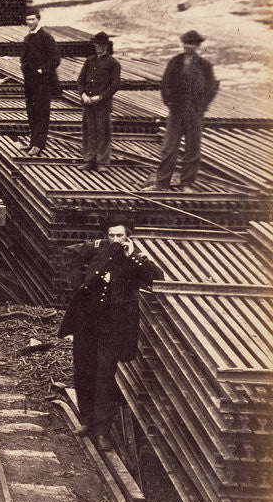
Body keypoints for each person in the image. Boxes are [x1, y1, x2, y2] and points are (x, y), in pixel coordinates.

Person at [59, 217, 162, 451]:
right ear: (107, 236)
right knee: (84, 371)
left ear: (128, 237)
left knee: (105, 376)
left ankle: (102, 432)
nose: (115, 240)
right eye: (112, 236)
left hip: (113, 326)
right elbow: (68, 254)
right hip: (87, 322)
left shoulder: (134, 258)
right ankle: (86, 422)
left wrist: (133, 256)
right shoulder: (96, 248)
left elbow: (156, 277)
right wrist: (77, 281)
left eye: (120, 236)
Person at [143, 30, 219, 191]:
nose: (188, 46)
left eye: (192, 43)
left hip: (194, 113)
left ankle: (186, 184)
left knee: (192, 149)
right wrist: (169, 101)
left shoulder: (205, 66)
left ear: (197, 45)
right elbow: (165, 84)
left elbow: (211, 88)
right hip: (176, 112)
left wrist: (201, 107)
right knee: (169, 148)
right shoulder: (175, 62)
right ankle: (161, 183)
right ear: (183, 43)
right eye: (186, 43)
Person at [76, 32, 121, 172]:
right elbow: (80, 80)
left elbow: (115, 85)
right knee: (89, 131)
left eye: (102, 45)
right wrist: (83, 94)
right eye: (97, 45)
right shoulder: (89, 61)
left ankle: (101, 162)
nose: (99, 48)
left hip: (102, 104)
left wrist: (101, 97)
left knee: (103, 132)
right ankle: (89, 160)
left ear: (106, 46)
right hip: (88, 102)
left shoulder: (113, 63)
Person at [19, 7, 61, 156]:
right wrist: (24, 68)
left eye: (33, 19)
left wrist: (42, 70)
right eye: (28, 19)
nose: (30, 22)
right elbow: (24, 58)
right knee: (31, 111)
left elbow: (55, 59)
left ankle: (39, 144)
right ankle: (32, 142)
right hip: (30, 81)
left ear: (38, 19)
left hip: (43, 82)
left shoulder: (46, 38)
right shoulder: (27, 38)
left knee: (41, 112)